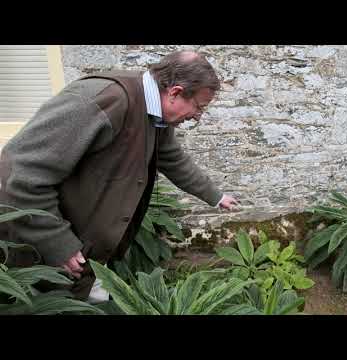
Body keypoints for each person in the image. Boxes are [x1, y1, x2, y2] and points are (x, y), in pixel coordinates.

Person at [0, 50, 239, 301]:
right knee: (39, 302)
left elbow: (173, 159)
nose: (197, 117)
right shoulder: (100, 102)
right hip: (32, 244)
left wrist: (215, 196)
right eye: (199, 107)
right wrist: (57, 243)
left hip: (83, 251)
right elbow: (23, 175)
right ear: (175, 92)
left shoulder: (155, 115)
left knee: (88, 298)